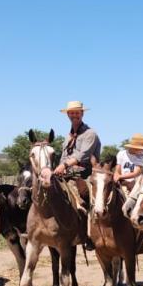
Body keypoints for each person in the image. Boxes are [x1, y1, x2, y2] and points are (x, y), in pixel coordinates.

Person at [53, 101, 102, 249]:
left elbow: (83, 155)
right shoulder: (68, 137)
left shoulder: (90, 133)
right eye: (71, 112)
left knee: (86, 196)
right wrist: (58, 168)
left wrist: (64, 166)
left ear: (82, 113)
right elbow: (63, 157)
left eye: (77, 112)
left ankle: (91, 234)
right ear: (68, 114)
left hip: (85, 171)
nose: (74, 115)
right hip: (66, 171)